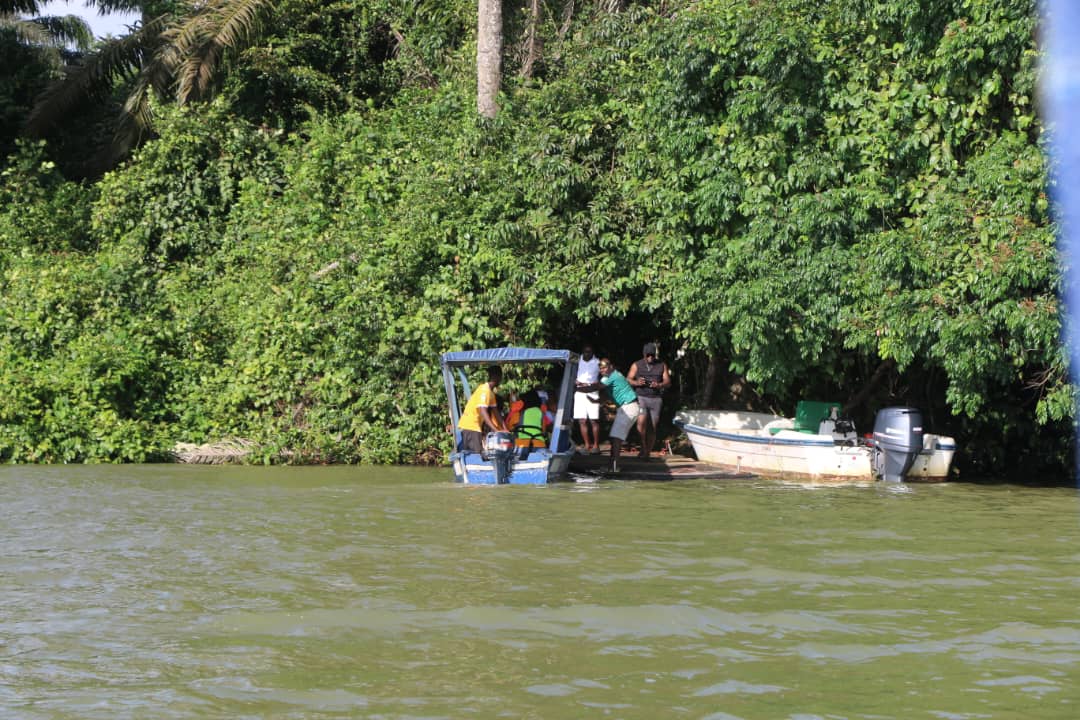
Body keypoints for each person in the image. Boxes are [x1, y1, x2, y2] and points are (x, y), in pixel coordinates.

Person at [578, 358, 644, 472]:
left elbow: (596, 387)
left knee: (616, 438)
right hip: (627, 407)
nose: (602, 370)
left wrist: (577, 389)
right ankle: (612, 466)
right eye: (600, 368)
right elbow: (607, 394)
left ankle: (613, 467)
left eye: (604, 367)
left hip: (628, 407)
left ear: (611, 367)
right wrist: (596, 401)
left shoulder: (613, 376)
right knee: (615, 437)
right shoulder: (608, 378)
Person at [627, 342, 671, 459]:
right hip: (641, 397)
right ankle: (643, 447)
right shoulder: (637, 365)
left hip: (656, 399)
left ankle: (647, 453)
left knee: (652, 427)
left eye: (652, 355)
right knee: (641, 423)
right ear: (644, 354)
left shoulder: (662, 365)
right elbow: (628, 379)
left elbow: (668, 381)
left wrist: (659, 385)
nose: (650, 357)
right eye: (648, 355)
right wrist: (637, 382)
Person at [457, 365, 506, 453]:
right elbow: (483, 411)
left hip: (475, 426)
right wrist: (496, 430)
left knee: (481, 453)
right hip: (471, 426)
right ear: (497, 377)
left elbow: (496, 413)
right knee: (478, 455)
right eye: (501, 377)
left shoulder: (491, 393)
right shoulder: (484, 390)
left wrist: (505, 429)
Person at [573, 344, 602, 454]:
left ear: (593, 352)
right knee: (582, 420)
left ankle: (596, 446)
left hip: (592, 393)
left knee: (593, 420)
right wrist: (575, 381)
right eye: (585, 351)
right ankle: (587, 445)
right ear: (582, 352)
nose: (587, 354)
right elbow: (571, 373)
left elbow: (605, 374)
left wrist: (595, 383)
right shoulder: (577, 360)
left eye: (589, 352)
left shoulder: (597, 362)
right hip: (579, 393)